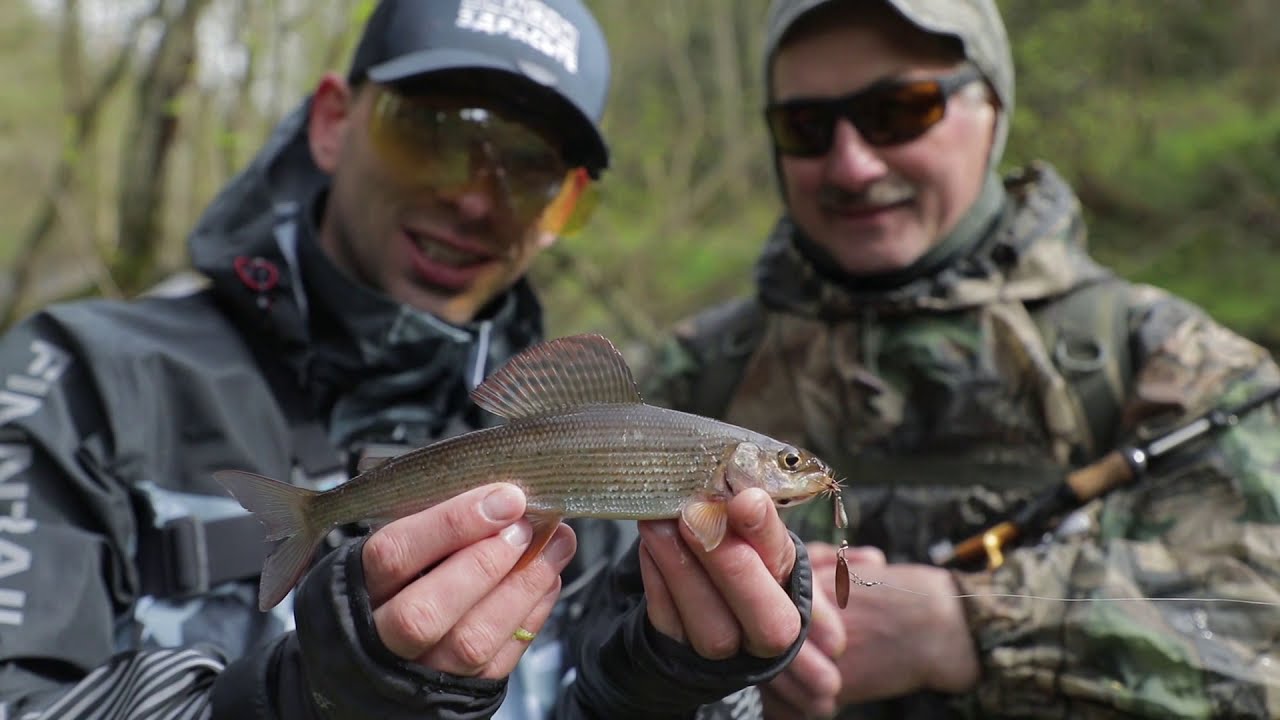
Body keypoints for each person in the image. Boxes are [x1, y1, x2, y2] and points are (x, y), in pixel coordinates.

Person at [0, 1, 813, 718]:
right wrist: (286, 704)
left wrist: (657, 694)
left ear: (564, 208)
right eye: (431, 132)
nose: (473, 198)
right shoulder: (78, 382)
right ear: (330, 122)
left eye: (530, 170)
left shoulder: (601, 449)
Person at [639, 0, 1280, 718]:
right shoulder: (687, 379)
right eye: (806, 127)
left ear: (994, 108)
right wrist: (700, 662)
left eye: (899, 111)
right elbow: (574, 646)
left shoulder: (1169, 361)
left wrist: (968, 623)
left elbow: (1259, 624)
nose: (851, 164)